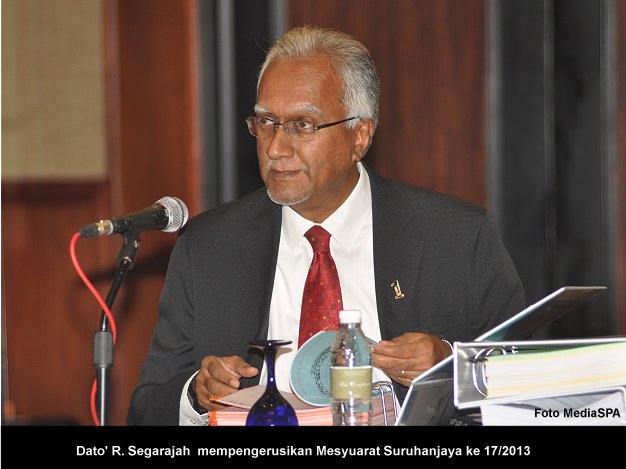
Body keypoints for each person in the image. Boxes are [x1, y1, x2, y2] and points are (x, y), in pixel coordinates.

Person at [128, 26, 525, 426]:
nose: (275, 147)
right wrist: (196, 394)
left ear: (360, 136)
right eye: (266, 122)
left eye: (302, 125)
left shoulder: (456, 237)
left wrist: (452, 365)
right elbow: (146, 410)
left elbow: (529, 386)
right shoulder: (209, 246)